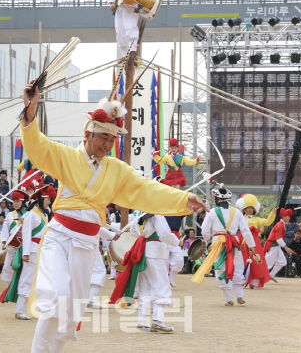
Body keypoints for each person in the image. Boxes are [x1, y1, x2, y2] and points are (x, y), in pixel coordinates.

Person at [20, 84, 205, 353]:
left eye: (112, 139)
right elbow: (38, 146)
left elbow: (145, 188)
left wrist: (182, 199)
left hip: (86, 243)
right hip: (59, 237)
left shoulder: (116, 170)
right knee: (55, 298)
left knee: (71, 311)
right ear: (88, 134)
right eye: (103, 137)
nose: (107, 144)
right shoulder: (66, 157)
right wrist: (30, 109)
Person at [111, 211, 179, 332]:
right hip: (154, 252)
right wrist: (176, 241)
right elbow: (164, 233)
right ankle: (157, 320)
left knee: (145, 287)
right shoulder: (157, 214)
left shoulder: (139, 213)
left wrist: (144, 237)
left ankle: (142, 321)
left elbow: (133, 232)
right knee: (161, 286)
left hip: (142, 251)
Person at [193, 185, 255, 306]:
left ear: (216, 199)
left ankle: (229, 299)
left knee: (221, 268)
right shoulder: (236, 212)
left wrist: (207, 241)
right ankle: (240, 295)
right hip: (234, 241)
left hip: (218, 242)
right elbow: (245, 230)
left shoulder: (211, 212)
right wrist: (251, 245)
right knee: (237, 266)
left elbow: (205, 230)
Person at [0, 185, 54, 319]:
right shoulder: (31, 215)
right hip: (32, 251)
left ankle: (39, 307)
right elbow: (27, 234)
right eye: (48, 199)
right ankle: (19, 310)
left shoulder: (42, 214)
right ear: (41, 199)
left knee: (41, 280)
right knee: (26, 279)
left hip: (40, 250)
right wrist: (26, 253)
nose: (50, 202)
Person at [235, 194, 276, 288]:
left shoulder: (256, 219)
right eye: (248, 208)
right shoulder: (240, 218)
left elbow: (267, 222)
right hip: (242, 240)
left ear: (254, 210)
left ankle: (254, 282)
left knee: (255, 260)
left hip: (254, 241)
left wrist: (272, 213)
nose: (250, 210)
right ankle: (240, 280)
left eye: (251, 208)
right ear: (244, 209)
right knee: (241, 259)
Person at [1, 190, 28, 284]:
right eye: (14, 201)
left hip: (24, 246)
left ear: (23, 202)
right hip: (12, 244)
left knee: (23, 267)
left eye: (18, 201)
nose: (15, 203)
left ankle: (21, 285)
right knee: (8, 266)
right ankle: (9, 286)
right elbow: (5, 230)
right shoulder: (9, 214)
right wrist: (4, 242)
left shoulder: (28, 215)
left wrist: (25, 222)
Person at [264, 208, 293, 282]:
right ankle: (257, 280)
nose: (289, 218)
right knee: (267, 264)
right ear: (283, 216)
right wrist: (286, 248)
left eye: (289, 216)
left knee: (282, 262)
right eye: (287, 216)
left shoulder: (282, 224)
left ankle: (271, 275)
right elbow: (279, 239)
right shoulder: (280, 225)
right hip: (273, 246)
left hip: (276, 246)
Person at [164, 214, 185, 287]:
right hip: (164, 235)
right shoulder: (161, 210)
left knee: (179, 260)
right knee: (164, 260)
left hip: (175, 236)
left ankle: (171, 278)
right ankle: (165, 280)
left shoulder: (178, 210)